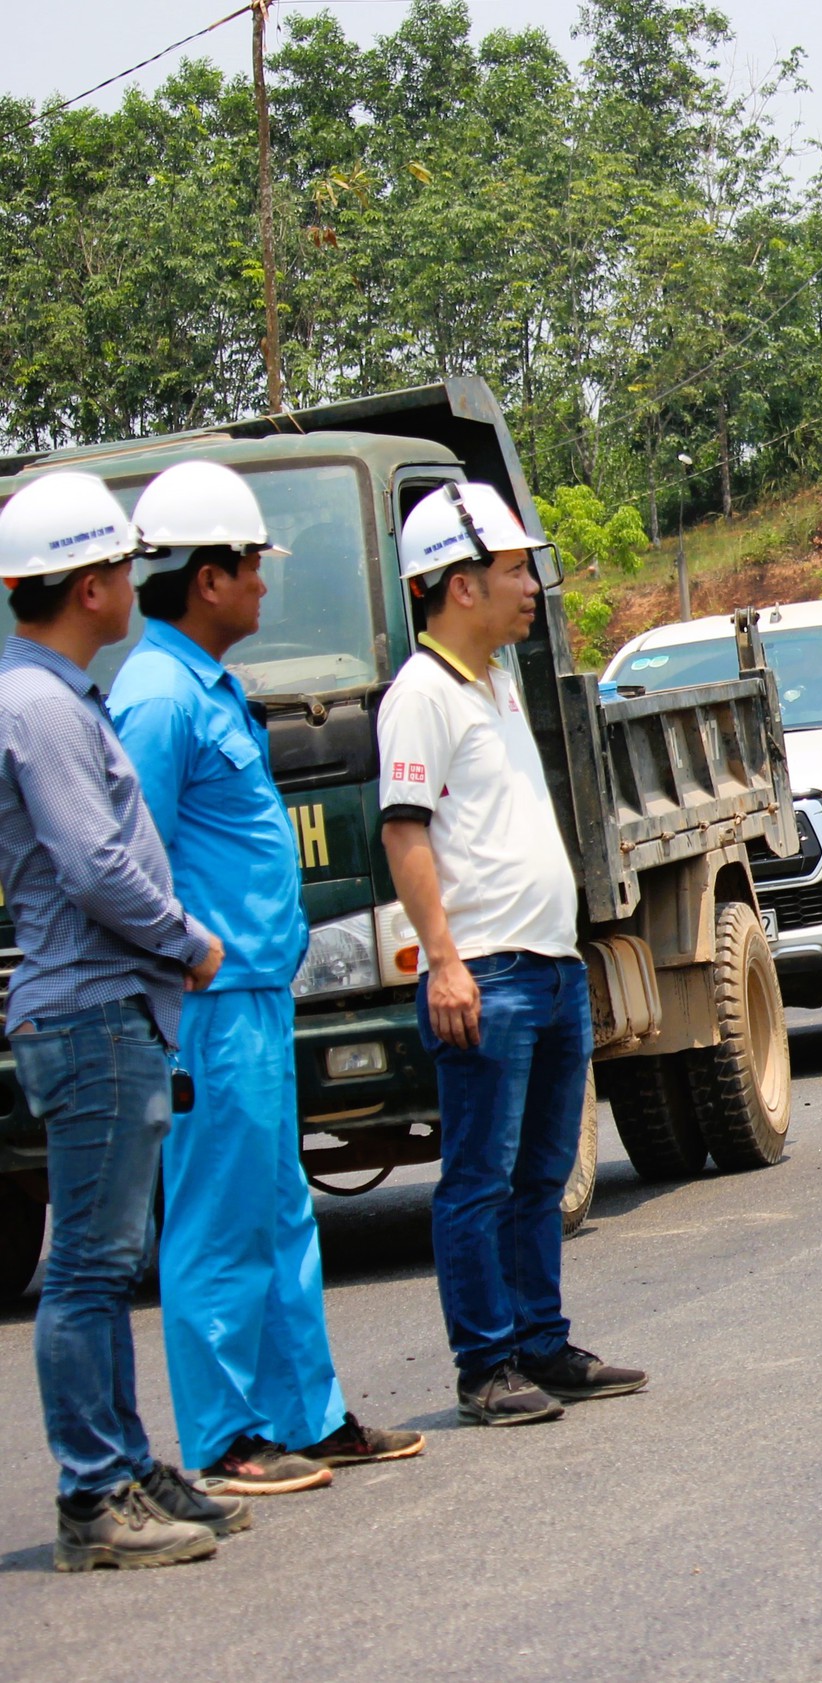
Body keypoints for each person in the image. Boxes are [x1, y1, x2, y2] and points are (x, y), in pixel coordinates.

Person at [109, 461, 424, 1498]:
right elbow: (131, 857)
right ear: (208, 577)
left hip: (251, 994)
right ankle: (225, 1438)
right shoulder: (157, 698)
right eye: (251, 566)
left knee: (279, 1211)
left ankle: (307, 1414)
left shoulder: (207, 684)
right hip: (208, 1003)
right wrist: (192, 959)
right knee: (213, 1220)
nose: (262, 585)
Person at [0, 471, 247, 1570]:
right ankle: (91, 1495)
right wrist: (185, 941)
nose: (131, 584)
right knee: (88, 1269)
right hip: (93, 1010)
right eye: (117, 568)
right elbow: (96, 865)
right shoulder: (40, 705)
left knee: (106, 1261)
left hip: (106, 1012)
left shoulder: (50, 691)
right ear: (90, 583)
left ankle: (126, 1462)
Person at [377, 483, 645, 1426]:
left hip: (550, 965)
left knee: (541, 1176)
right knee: (478, 1178)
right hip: (484, 974)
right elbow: (405, 834)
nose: (531, 584)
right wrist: (442, 960)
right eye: (512, 568)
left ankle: (542, 1341)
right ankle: (485, 1365)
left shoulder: (499, 678)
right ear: (456, 584)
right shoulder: (419, 697)